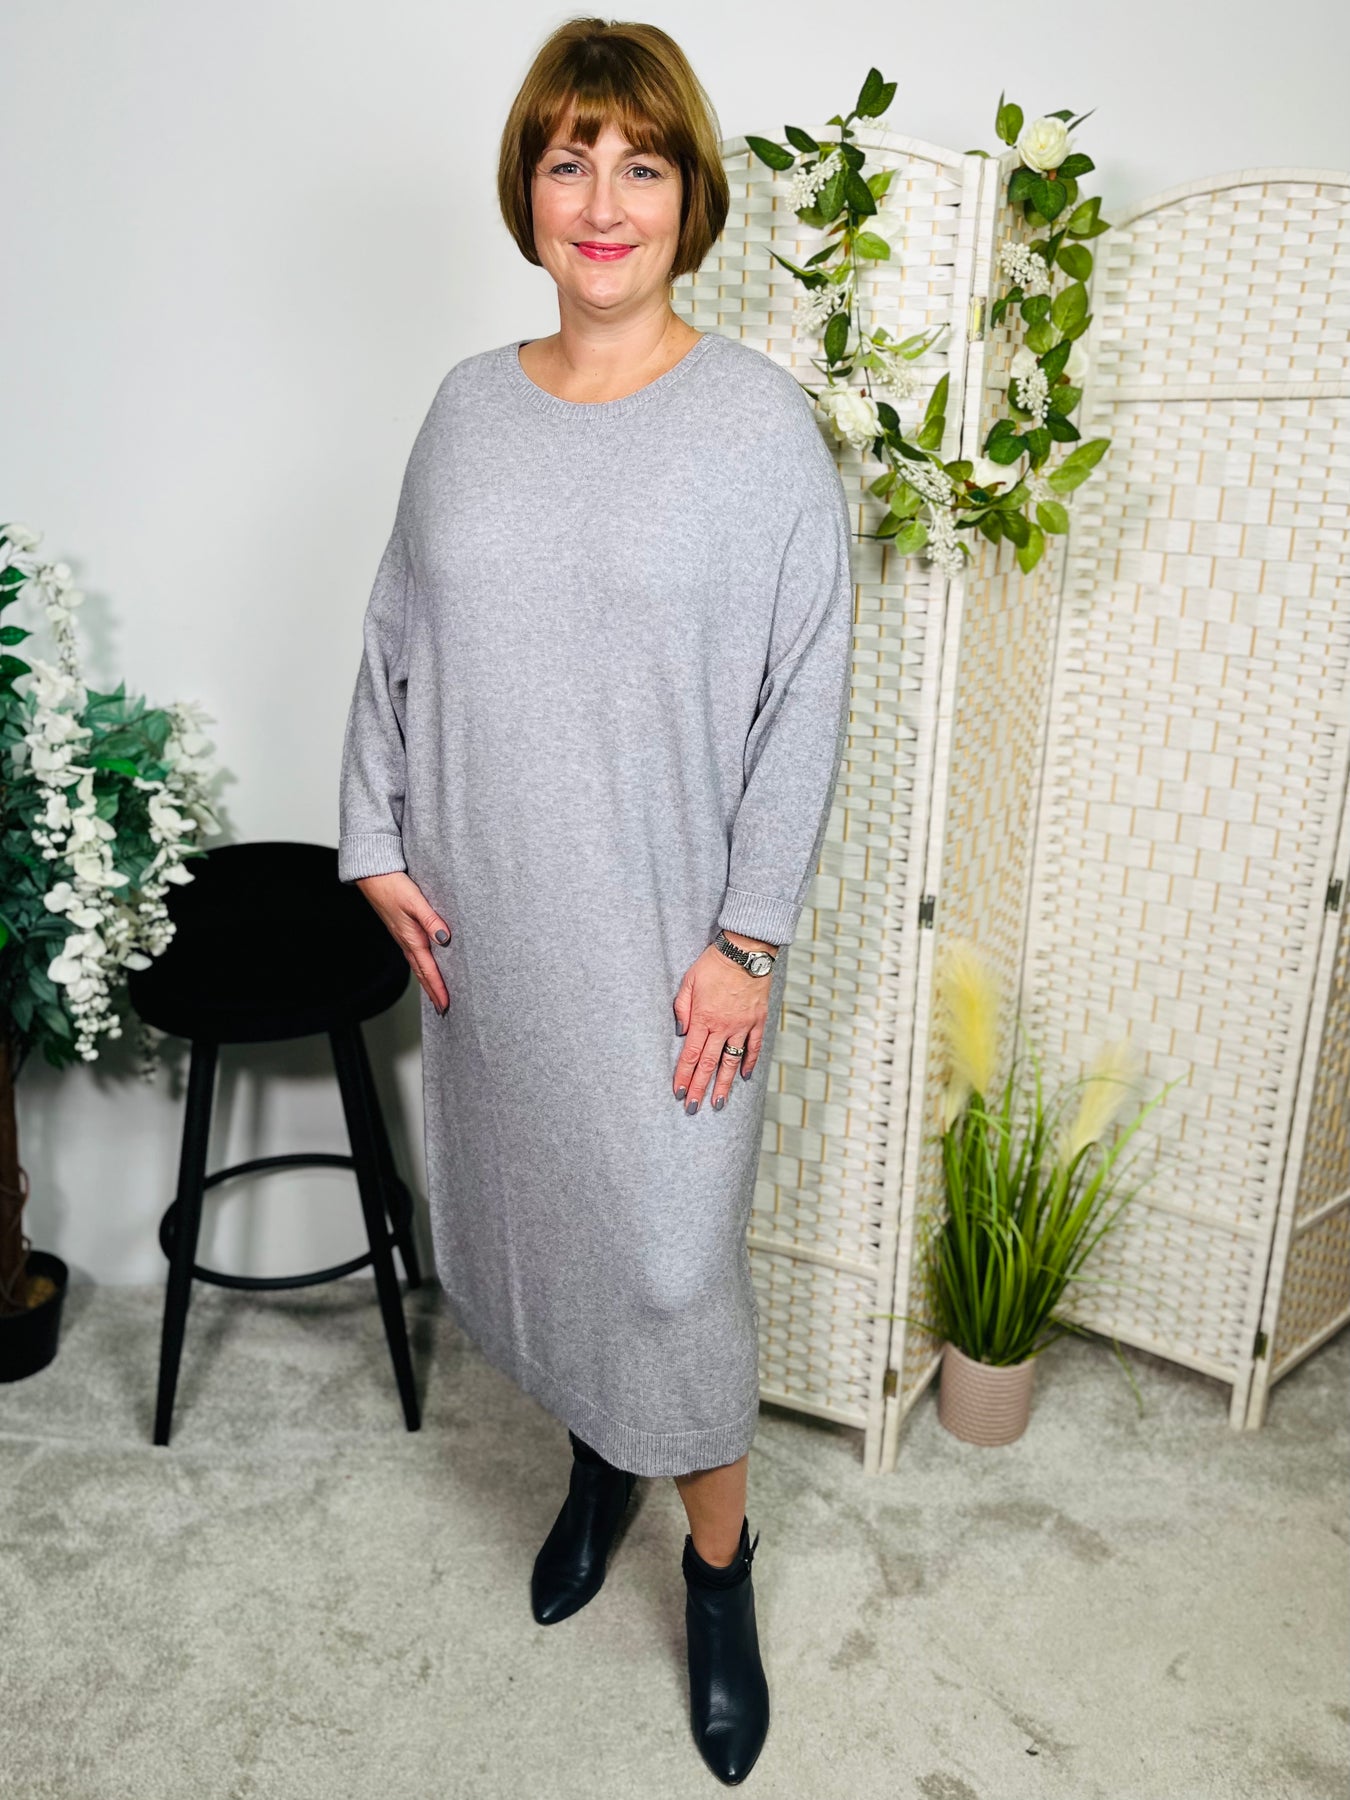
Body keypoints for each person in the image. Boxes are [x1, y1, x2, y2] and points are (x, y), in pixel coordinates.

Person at [337, 17, 854, 1787]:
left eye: (640, 164)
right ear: (529, 190)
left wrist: (746, 942)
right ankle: (595, 1459)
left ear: (690, 195)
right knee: (554, 1235)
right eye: (569, 161)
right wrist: (372, 840)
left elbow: (806, 696)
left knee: (664, 1266)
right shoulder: (465, 410)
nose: (603, 200)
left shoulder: (758, 428)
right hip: (497, 931)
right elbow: (395, 635)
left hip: (666, 952)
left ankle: (716, 1570)